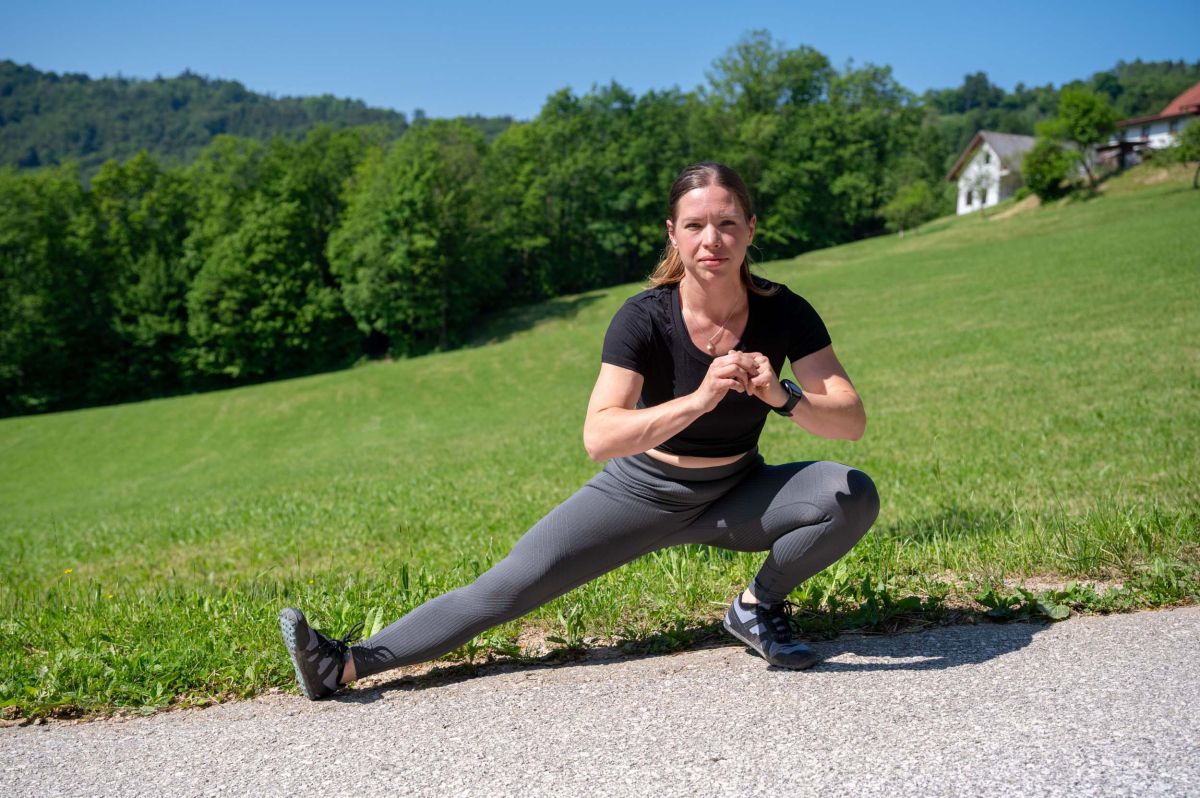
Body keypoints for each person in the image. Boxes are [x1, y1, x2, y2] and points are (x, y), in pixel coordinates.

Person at [279, 161, 880, 700]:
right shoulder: (644, 317)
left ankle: (756, 607)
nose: (712, 240)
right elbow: (600, 436)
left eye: (726, 224)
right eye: (695, 225)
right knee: (509, 587)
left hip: (737, 491)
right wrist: (699, 401)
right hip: (640, 491)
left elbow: (849, 420)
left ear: (750, 228)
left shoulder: (784, 311)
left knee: (849, 494)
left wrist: (780, 395)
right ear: (673, 234)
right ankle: (342, 665)